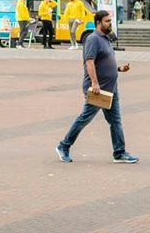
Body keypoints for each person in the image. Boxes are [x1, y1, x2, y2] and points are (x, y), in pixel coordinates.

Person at [56, 9, 136, 163]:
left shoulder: (105, 38)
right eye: (107, 21)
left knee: (115, 121)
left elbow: (103, 62)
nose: (110, 23)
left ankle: (119, 153)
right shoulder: (93, 39)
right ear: (98, 23)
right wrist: (94, 83)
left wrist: (119, 69)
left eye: (110, 21)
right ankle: (63, 146)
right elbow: (89, 61)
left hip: (111, 88)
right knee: (85, 118)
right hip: (98, 89)